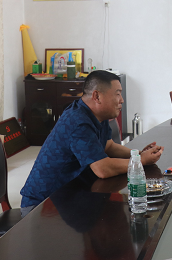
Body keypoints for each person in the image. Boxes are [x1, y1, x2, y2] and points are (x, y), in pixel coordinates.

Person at [20, 70, 164, 217]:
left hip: (70, 196)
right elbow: (102, 169)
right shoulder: (77, 121)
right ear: (97, 96)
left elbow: (108, 146)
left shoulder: (97, 115)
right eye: (117, 94)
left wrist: (138, 154)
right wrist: (141, 161)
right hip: (42, 206)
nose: (121, 100)